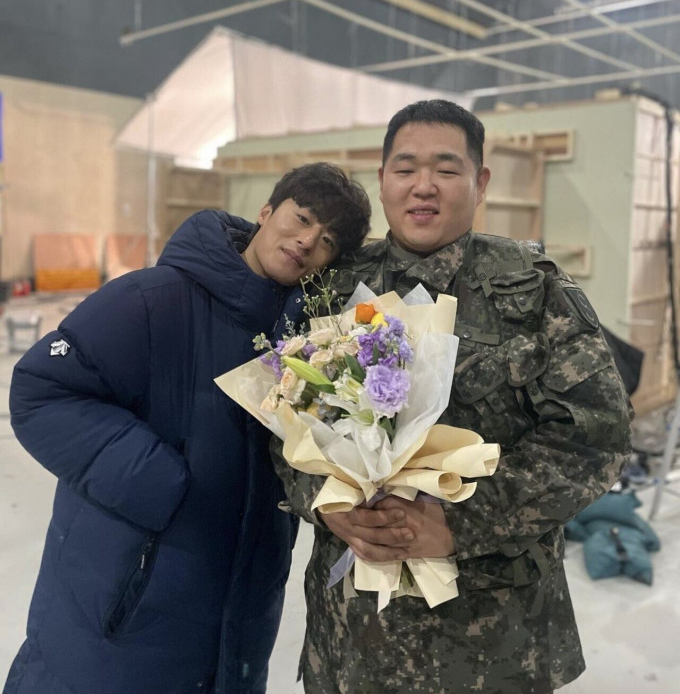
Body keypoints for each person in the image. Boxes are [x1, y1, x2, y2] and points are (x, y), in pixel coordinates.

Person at [272, 100, 632, 694]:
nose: (424, 186)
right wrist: (325, 502)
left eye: (446, 169)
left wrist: (461, 521)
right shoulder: (331, 289)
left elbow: (596, 439)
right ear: (382, 180)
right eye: (405, 168)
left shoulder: (535, 293)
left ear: (480, 182)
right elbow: (279, 423)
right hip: (352, 633)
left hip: (490, 642)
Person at [3, 162, 372, 694]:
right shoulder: (152, 298)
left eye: (328, 240)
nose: (308, 241)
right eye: (302, 218)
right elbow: (42, 390)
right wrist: (159, 483)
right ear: (266, 211)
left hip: (240, 612)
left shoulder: (312, 342)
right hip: (125, 607)